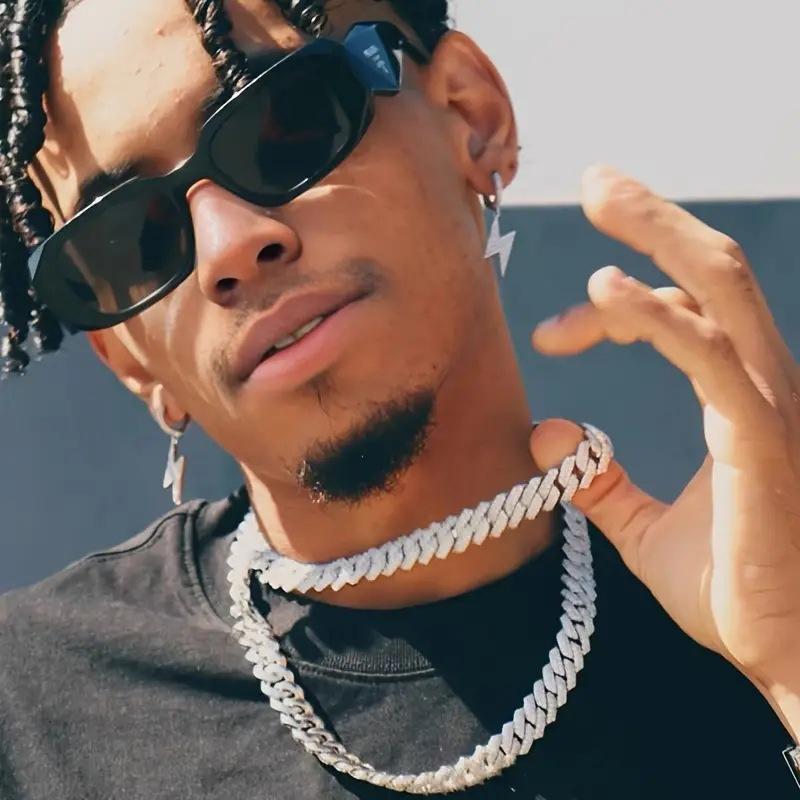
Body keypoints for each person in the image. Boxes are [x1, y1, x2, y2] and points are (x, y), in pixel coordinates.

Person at [0, 0, 798, 797]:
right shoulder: (27, 713)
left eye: (282, 124)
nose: (229, 247)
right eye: (130, 239)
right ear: (126, 356)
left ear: (472, 119)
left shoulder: (750, 620)